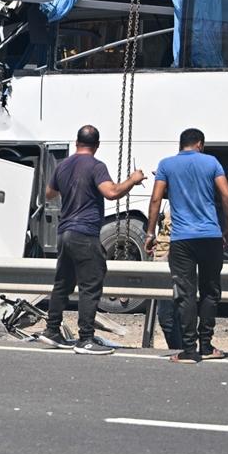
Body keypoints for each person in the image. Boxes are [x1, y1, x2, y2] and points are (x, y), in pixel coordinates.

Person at [40, 125, 145, 355]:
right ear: (96, 146)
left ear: (76, 142)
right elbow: (112, 192)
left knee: (63, 283)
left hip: (64, 232)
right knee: (91, 285)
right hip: (85, 233)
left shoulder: (63, 165)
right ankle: (85, 338)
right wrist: (133, 179)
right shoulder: (96, 166)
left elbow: (49, 193)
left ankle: (52, 330)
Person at [145, 128, 228, 364]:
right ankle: (206, 345)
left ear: (181, 145)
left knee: (185, 294)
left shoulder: (166, 165)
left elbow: (156, 199)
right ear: (200, 144)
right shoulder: (211, 162)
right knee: (210, 291)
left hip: (182, 240)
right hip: (210, 236)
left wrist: (150, 232)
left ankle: (188, 350)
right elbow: (227, 196)